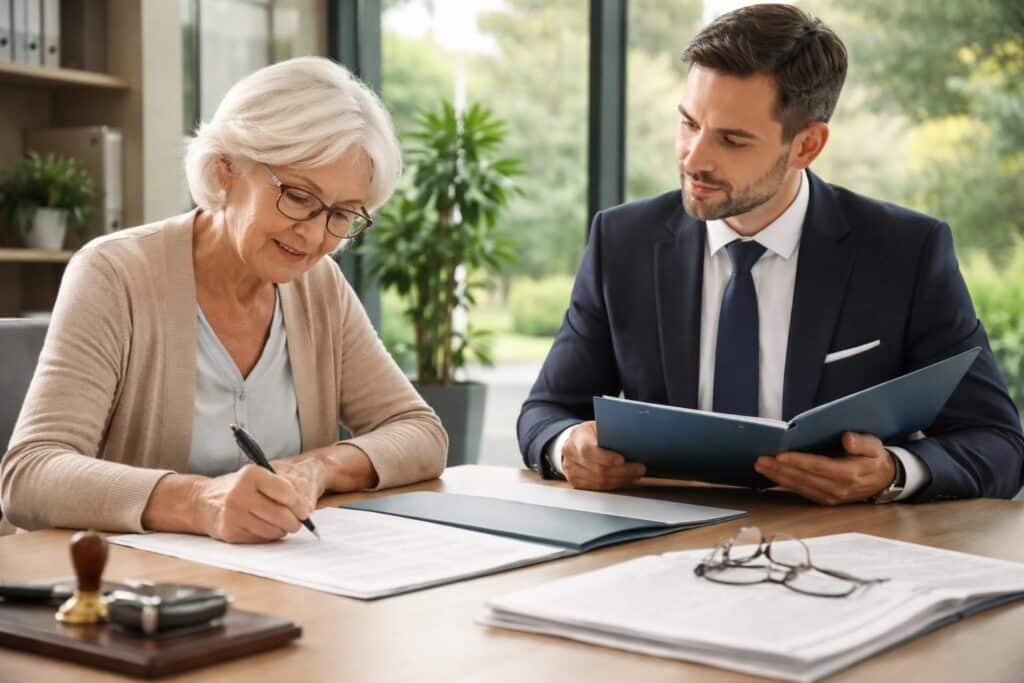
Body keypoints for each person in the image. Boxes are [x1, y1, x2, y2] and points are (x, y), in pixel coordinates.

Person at [517, 3, 1024, 504]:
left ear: (807, 146)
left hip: (842, 557)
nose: (694, 159)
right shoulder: (622, 241)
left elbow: (999, 444)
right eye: (689, 123)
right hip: (660, 549)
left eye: (732, 140)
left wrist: (892, 472)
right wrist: (567, 448)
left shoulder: (906, 253)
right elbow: (546, 412)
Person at [1, 57, 448, 541]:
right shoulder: (115, 273)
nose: (317, 235)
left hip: (277, 583)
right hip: (125, 592)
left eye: (341, 215)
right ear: (226, 169)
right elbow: (31, 475)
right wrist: (199, 502)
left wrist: (317, 468)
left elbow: (419, 432)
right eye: (299, 197)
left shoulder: (321, 287)